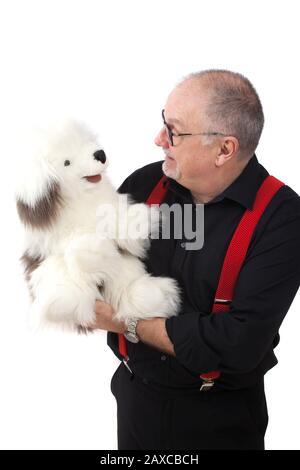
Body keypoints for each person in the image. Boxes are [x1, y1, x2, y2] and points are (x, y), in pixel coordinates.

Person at [91, 69, 300, 450]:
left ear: (224, 149)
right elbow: (93, 275)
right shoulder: (144, 185)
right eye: (163, 122)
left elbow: (237, 344)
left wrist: (126, 321)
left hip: (220, 421)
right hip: (136, 401)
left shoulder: (282, 218)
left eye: (174, 131)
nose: (159, 140)